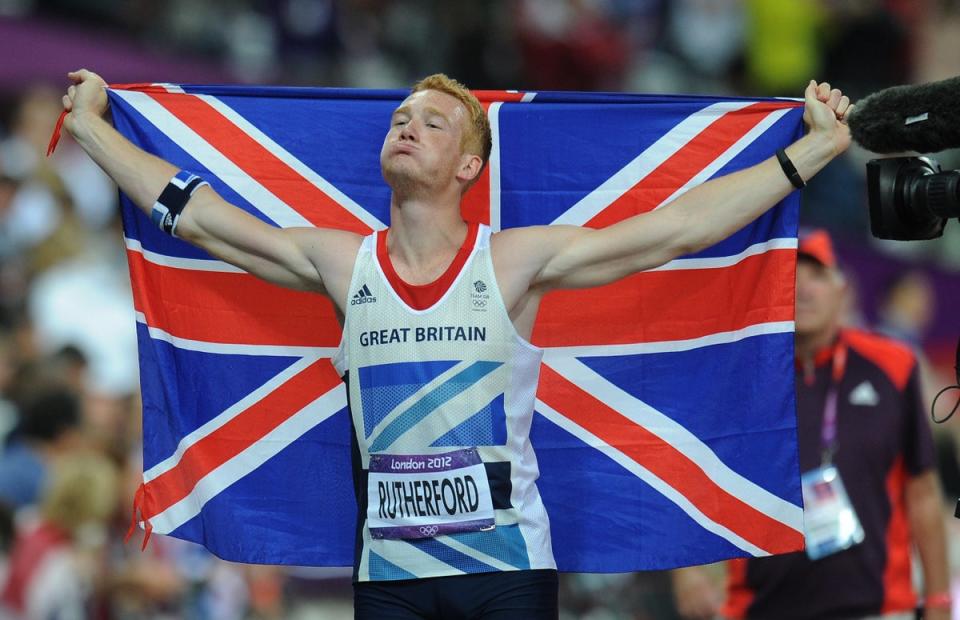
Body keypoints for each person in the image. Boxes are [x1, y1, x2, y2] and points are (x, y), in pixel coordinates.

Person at [61, 68, 852, 618]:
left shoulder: (513, 262)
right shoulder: (343, 262)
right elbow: (194, 215)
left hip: (507, 575)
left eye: (430, 122)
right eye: (400, 119)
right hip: (392, 577)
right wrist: (94, 129)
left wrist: (808, 153)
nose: (406, 126)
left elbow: (674, 230)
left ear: (469, 163)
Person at [671, 230, 950, 620]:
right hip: (758, 608)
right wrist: (686, 574)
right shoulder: (735, 375)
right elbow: (689, 476)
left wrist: (938, 600)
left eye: (817, 276)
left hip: (876, 608)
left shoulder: (893, 366)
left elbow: (922, 490)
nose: (803, 290)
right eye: (790, 274)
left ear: (843, 289)